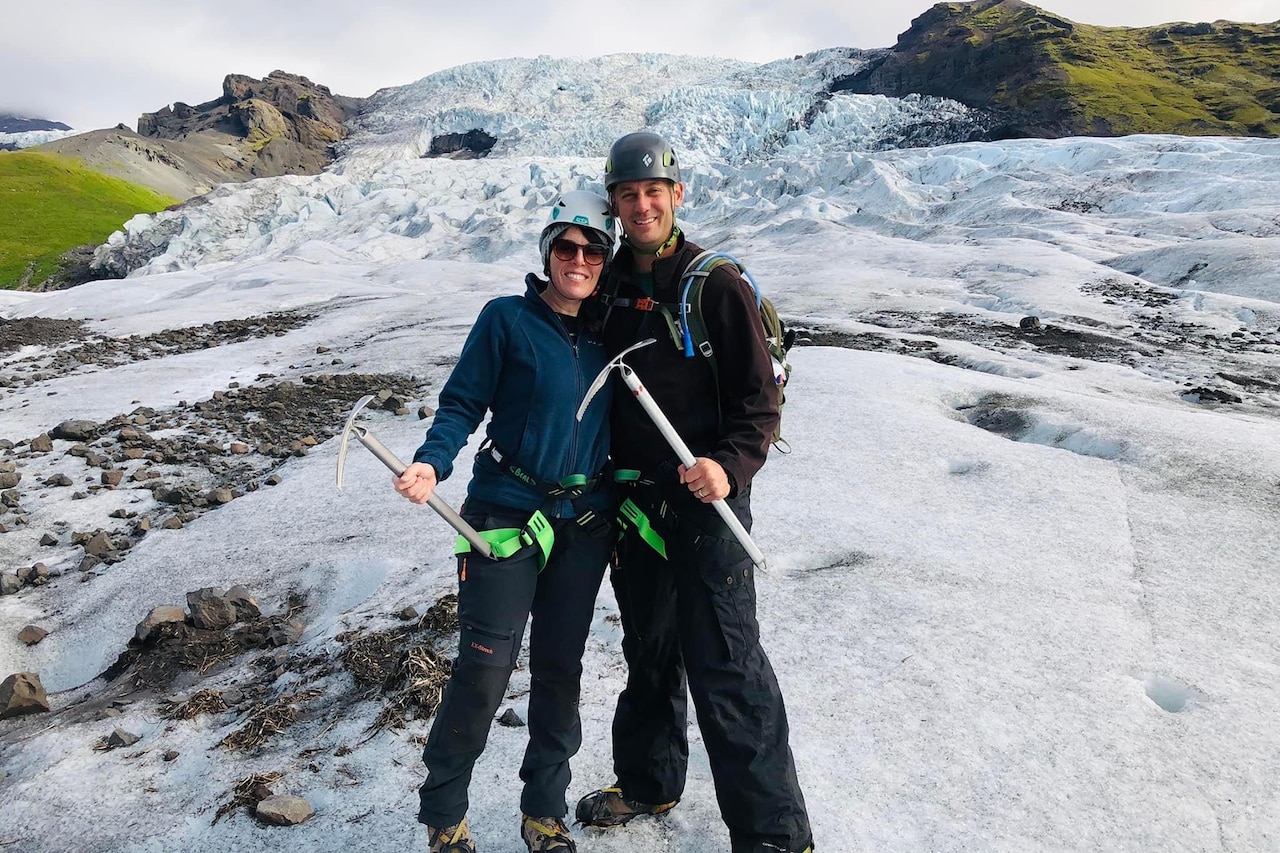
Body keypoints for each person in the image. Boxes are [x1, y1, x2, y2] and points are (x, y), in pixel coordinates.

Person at [575, 132, 815, 853]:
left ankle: (775, 833)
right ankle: (650, 780)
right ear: (613, 203)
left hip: (708, 501)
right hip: (637, 504)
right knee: (651, 649)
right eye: (628, 193)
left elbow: (758, 401)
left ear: (677, 195)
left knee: (726, 662)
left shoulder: (716, 285)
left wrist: (730, 465)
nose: (642, 204)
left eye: (654, 191)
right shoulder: (607, 284)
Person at [393, 190, 618, 853]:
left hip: (582, 522)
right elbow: (462, 401)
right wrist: (433, 462)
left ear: (604, 261)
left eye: (590, 250)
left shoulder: (610, 333)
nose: (577, 259)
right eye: (565, 247)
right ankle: (445, 814)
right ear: (548, 253)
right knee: (484, 670)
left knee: (559, 669)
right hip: (501, 516)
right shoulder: (507, 320)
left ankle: (543, 813)